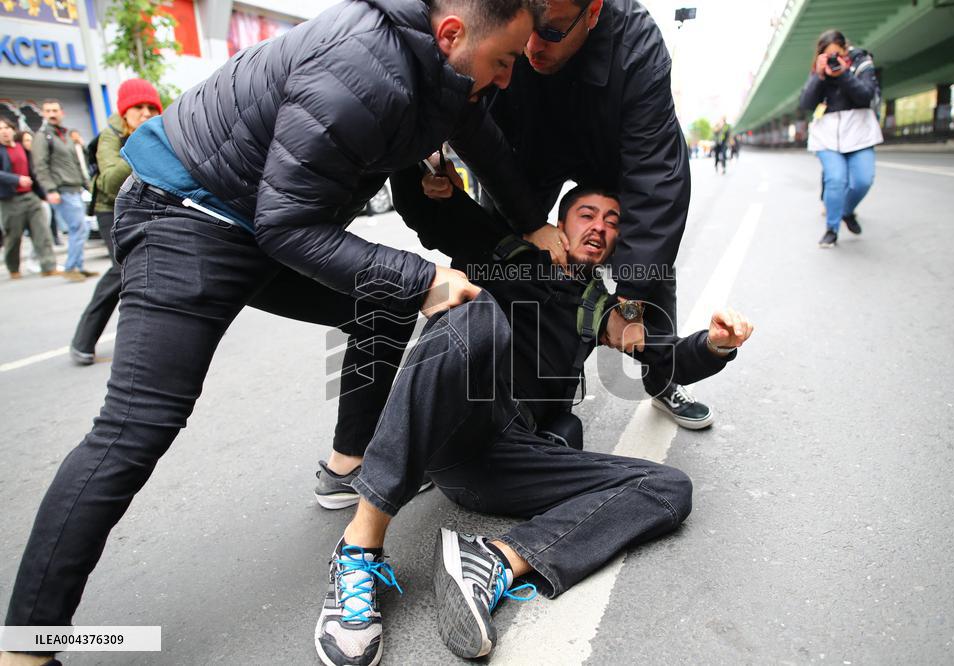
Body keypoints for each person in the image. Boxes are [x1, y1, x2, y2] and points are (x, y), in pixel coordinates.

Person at [0, 2, 545, 665]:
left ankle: (345, 466)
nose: (510, 78)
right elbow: (289, 228)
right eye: (506, 61)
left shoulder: (448, 71)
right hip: (187, 216)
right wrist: (427, 278)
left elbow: (483, 142)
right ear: (453, 35)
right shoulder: (365, 65)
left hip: (259, 218)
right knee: (137, 425)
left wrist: (535, 225)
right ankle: (27, 645)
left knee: (384, 298)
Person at [312, 167, 754, 664]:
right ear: (558, 226)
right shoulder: (507, 254)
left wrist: (714, 346)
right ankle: (359, 548)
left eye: (612, 222)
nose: (600, 228)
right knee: (474, 310)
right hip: (460, 422)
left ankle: (494, 560)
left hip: (508, 456)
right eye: (587, 214)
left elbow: (660, 351)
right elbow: (439, 216)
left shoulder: (599, 306)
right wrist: (427, 180)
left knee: (669, 488)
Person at [441, 0, 719, 431]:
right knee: (493, 254)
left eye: (550, 32)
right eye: (527, 29)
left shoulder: (638, 45)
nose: (532, 46)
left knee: (649, 265)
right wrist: (531, 220)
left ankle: (663, 380)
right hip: (528, 149)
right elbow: (473, 119)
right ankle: (449, 403)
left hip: (611, 153)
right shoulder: (503, 19)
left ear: (592, 12)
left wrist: (631, 292)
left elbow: (654, 177)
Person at [68, 79, 162, 365]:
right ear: (124, 111)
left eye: (151, 108)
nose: (145, 113)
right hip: (110, 208)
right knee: (122, 270)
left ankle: (152, 341)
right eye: (138, 107)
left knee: (160, 266)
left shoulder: (159, 130)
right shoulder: (110, 136)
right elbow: (109, 183)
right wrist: (139, 143)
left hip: (144, 204)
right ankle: (83, 340)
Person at [799, 29, 882, 249]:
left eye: (838, 54)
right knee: (835, 180)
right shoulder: (819, 71)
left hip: (859, 134)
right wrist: (819, 75)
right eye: (829, 56)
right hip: (827, 136)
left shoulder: (862, 63)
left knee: (863, 180)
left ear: (846, 49)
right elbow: (806, 103)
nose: (835, 60)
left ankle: (846, 211)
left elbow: (866, 96)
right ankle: (831, 229)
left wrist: (843, 74)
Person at [31, 99, 94, 280]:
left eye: (55, 110)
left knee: (82, 229)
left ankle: (78, 266)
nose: (52, 114)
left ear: (62, 113)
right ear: (43, 114)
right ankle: (71, 268)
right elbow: (40, 166)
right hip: (62, 190)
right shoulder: (43, 137)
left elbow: (76, 162)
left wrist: (86, 184)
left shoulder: (65, 135)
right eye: (48, 111)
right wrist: (50, 190)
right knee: (78, 228)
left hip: (75, 189)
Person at [0, 118, 59, 279]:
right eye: (0, 129)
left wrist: (43, 194)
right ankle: (13, 268)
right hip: (11, 200)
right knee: (13, 236)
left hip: (31, 196)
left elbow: (34, 171)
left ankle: (48, 265)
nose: (4, 131)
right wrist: (16, 179)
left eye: (7, 127)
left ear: (13, 130)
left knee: (42, 232)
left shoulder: (22, 147)